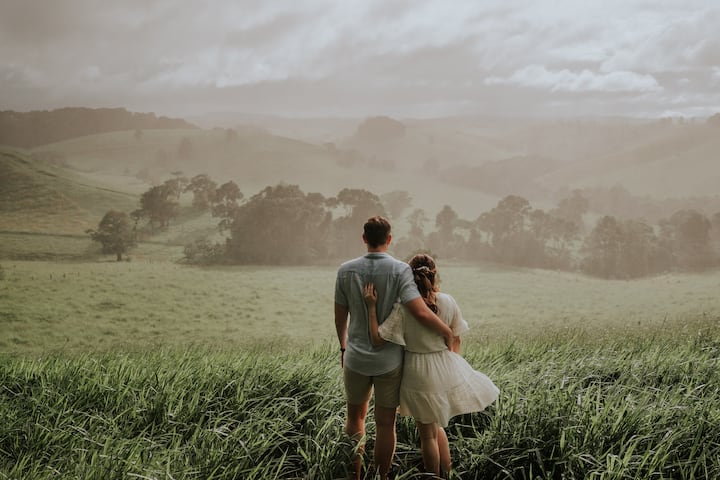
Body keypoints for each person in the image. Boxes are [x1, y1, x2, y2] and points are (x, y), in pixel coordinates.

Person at [335, 216, 455, 480]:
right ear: (389, 239)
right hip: (389, 361)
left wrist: (344, 348)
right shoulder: (400, 270)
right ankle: (380, 476)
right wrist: (446, 330)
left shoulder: (345, 270)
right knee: (385, 423)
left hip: (355, 358)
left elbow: (340, 316)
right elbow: (419, 311)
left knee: (355, 419)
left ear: (364, 238)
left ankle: (353, 476)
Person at [363, 253, 499, 478]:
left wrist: (371, 307)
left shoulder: (404, 307)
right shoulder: (448, 300)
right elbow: (456, 338)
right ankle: (447, 473)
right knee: (436, 428)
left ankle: (433, 476)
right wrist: (452, 365)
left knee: (427, 435)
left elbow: (378, 340)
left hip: (418, 370)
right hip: (445, 365)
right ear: (434, 275)